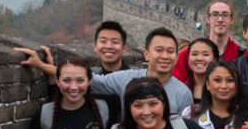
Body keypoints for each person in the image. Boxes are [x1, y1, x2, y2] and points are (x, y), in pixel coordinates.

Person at [17, 28, 193, 114]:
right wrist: (41, 65)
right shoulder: (127, 79)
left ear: (177, 56)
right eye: (159, 50)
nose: (164, 56)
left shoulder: (183, 93)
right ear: (146, 54)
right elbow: (83, 79)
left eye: (170, 51)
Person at [173, 0, 246, 86]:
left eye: (225, 15)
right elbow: (175, 89)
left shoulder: (243, 56)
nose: (220, 19)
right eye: (215, 14)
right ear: (207, 19)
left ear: (232, 20)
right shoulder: (187, 55)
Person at [111, 77, 203, 129]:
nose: (146, 112)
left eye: (153, 104)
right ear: (128, 108)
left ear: (164, 104)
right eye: (138, 106)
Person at [182, 60, 243, 129]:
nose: (224, 86)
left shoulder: (245, 115)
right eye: (217, 80)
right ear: (207, 84)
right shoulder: (190, 113)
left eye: (230, 80)